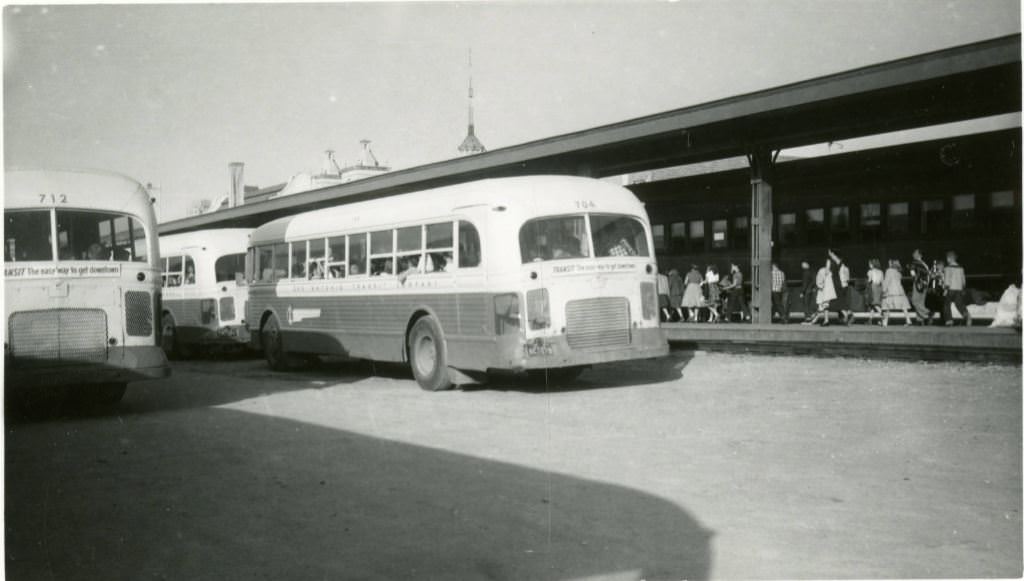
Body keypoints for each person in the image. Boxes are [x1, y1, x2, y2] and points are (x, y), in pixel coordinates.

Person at [942, 250, 971, 326]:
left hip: (950, 289)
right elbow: (963, 280)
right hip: (959, 289)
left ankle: (949, 320)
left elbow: (947, 280)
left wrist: (945, 289)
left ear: (950, 258)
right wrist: (962, 288)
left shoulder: (947, 268)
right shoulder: (961, 268)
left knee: (946, 304)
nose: (947, 259)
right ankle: (966, 315)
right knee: (959, 304)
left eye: (947, 258)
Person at [806, 258, 837, 326]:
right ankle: (823, 320)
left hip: (824, 291)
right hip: (826, 291)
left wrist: (820, 286)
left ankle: (818, 320)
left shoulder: (824, 271)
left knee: (822, 306)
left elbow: (819, 281)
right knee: (823, 306)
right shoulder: (828, 271)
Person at [881, 258, 912, 327]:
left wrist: (883, 290)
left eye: (889, 262)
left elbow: (887, 281)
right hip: (899, 290)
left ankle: (885, 322)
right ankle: (908, 320)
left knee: (887, 306)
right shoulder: (898, 271)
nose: (888, 264)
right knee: (904, 307)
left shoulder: (889, 271)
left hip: (891, 290)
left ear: (892, 263)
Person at [828, 249, 853, 325]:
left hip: (839, 285)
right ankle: (846, 315)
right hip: (844, 285)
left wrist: (831, 254)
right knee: (841, 302)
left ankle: (847, 315)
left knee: (838, 302)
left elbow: (835, 259)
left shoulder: (839, 264)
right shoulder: (845, 267)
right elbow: (847, 278)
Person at [909, 249, 932, 325]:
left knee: (914, 301)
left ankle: (927, 313)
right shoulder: (924, 264)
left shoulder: (914, 262)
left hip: (918, 284)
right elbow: (928, 274)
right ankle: (920, 321)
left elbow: (912, 273)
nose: (913, 254)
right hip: (925, 284)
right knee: (921, 302)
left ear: (919, 254)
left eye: (915, 253)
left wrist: (916, 280)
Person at [865, 258, 884, 325]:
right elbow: (882, 281)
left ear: (872, 265)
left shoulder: (870, 271)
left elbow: (869, 280)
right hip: (879, 287)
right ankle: (870, 319)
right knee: (874, 304)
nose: (869, 265)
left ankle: (882, 314)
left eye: (869, 264)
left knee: (873, 303)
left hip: (873, 287)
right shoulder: (881, 272)